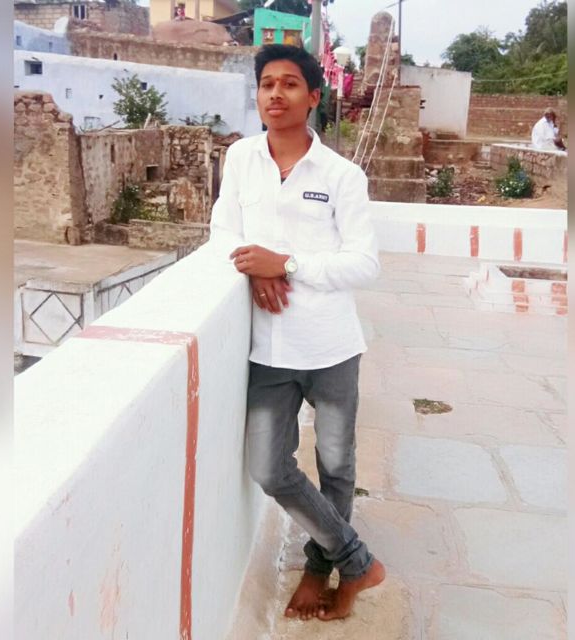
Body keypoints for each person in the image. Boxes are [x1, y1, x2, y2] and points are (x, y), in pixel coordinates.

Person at [209, 44, 385, 621]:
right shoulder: (241, 158)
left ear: (313, 97)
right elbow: (222, 233)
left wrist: (285, 265)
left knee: (336, 466)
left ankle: (318, 569)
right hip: (269, 349)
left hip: (331, 346)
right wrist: (252, 265)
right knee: (269, 467)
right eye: (266, 84)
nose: (275, 94)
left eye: (288, 84)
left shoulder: (341, 176)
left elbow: (364, 263)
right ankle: (357, 563)